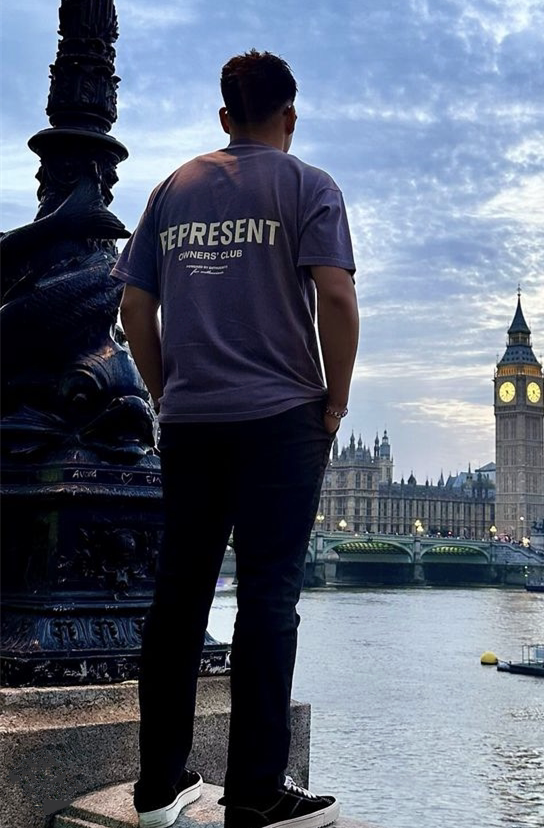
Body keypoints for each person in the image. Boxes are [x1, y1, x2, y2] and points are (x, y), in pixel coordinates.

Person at [112, 49, 359, 828]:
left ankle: (158, 788)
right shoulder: (309, 185)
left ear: (224, 116)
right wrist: (335, 404)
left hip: (191, 420)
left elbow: (133, 310)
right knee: (268, 597)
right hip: (281, 417)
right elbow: (336, 299)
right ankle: (254, 791)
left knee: (178, 597)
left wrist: (165, 393)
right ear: (290, 116)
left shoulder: (171, 189)